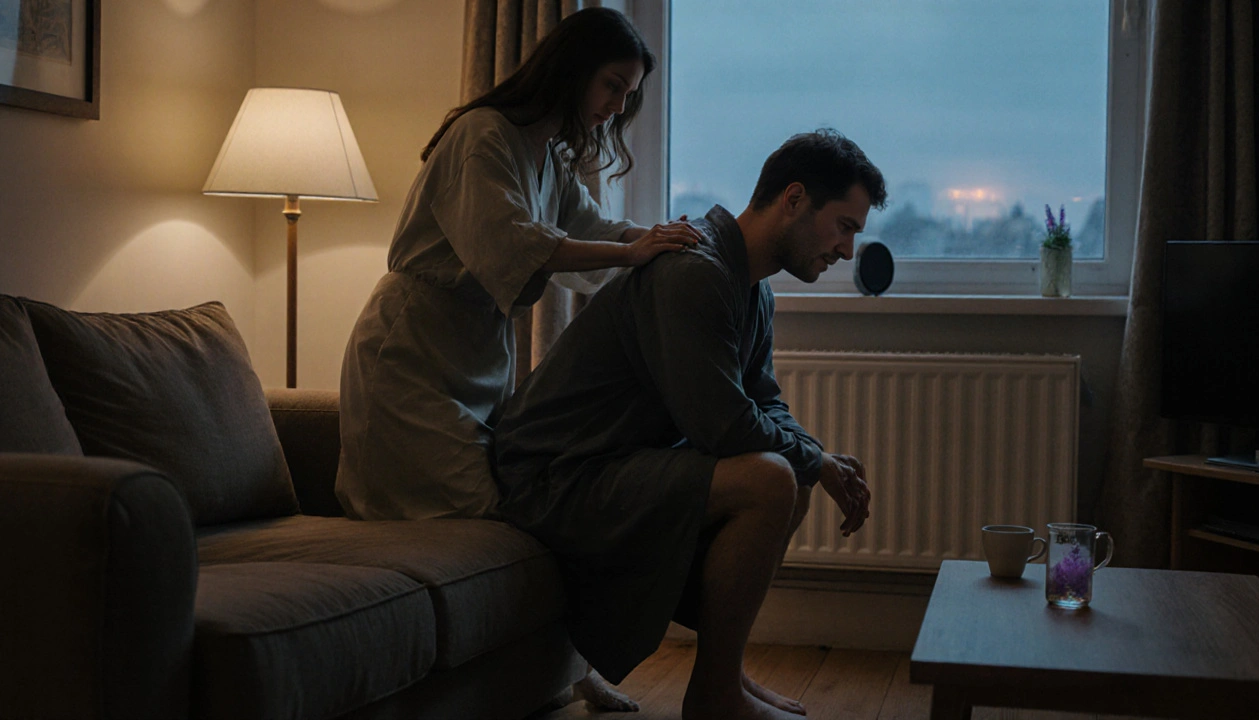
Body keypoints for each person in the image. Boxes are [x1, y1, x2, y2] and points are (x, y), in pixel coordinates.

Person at [336, 6, 698, 711]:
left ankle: (569, 664)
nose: (617, 106)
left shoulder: (550, 153)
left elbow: (587, 226)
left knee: (534, 504)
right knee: (494, 510)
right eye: (613, 86)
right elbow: (512, 242)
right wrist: (632, 254)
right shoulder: (482, 135)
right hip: (409, 356)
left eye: (628, 95)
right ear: (573, 70)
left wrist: (653, 238)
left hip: (478, 353)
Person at [493, 129, 886, 719]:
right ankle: (716, 697)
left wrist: (817, 455)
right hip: (554, 476)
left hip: (609, 464)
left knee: (791, 472)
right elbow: (723, 428)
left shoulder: (752, 288)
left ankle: (723, 674)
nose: (849, 251)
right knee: (772, 478)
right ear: (794, 199)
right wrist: (816, 461)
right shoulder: (694, 272)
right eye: (844, 226)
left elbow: (764, 400)